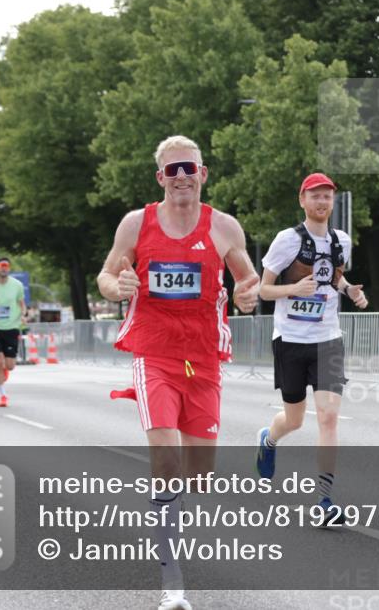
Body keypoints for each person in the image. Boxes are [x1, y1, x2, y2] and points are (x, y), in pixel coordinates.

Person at [98, 135, 259, 610]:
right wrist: (118, 286)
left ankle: (171, 513)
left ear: (204, 173)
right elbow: (106, 276)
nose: (182, 176)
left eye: (190, 167)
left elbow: (247, 280)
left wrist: (248, 295)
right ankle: (173, 581)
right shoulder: (136, 224)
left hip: (203, 358)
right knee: (165, 455)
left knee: (199, 477)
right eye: (173, 170)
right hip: (155, 353)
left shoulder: (225, 228)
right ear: (160, 178)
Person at [253, 172, 368, 524]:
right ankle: (269, 439)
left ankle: (325, 501)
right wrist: (292, 291)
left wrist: (349, 290)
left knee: (328, 416)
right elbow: (263, 290)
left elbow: (334, 277)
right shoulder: (287, 240)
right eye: (315, 196)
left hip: (328, 338)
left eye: (328, 196)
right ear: (302, 200)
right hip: (290, 340)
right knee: (294, 420)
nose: (322, 202)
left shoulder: (341, 240)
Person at [0, 257, 26, 407]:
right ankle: (3, 395)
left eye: (6, 266)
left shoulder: (17, 285)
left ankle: (1, 373)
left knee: (10, 365)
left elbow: (21, 304)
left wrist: (23, 315)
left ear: (9, 268)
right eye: (1, 266)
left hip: (11, 327)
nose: (4, 268)